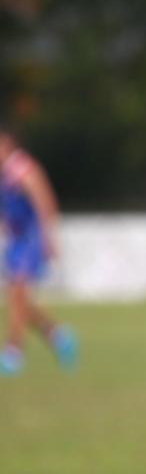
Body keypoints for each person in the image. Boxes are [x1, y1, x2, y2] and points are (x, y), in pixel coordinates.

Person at [0, 127, 77, 375]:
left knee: (19, 290)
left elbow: (44, 200)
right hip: (15, 240)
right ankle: (57, 335)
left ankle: (14, 353)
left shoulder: (23, 169)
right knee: (18, 298)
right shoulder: (3, 175)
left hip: (31, 239)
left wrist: (49, 238)